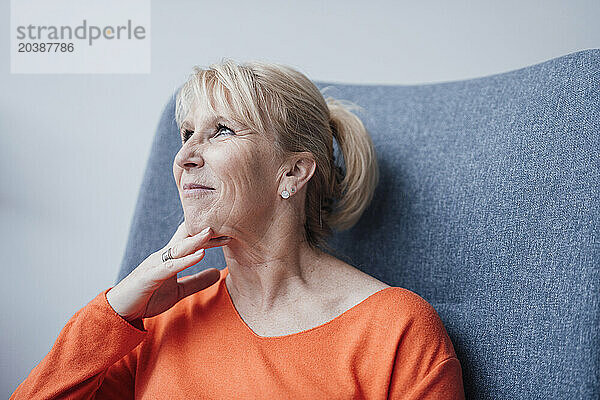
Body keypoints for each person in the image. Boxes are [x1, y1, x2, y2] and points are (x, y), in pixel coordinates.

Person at [11, 59, 465, 399]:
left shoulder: (395, 331)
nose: (185, 156)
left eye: (222, 131)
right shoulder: (160, 319)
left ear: (292, 173)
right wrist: (115, 310)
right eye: (186, 134)